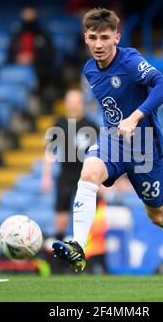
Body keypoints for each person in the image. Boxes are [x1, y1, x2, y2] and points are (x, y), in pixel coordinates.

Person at [52, 8, 163, 282]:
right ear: (85, 38)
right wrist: (118, 126)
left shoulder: (129, 61)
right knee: (89, 172)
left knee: (158, 215)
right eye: (93, 37)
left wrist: (136, 116)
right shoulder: (89, 70)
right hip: (114, 139)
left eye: (105, 37)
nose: (99, 44)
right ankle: (78, 246)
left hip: (144, 146)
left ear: (117, 36)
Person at [41, 88, 99, 243]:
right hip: (66, 174)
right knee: (61, 208)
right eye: (70, 102)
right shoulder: (59, 124)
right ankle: (59, 244)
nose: (73, 106)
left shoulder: (91, 125)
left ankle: (89, 246)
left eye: (76, 102)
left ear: (82, 104)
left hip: (87, 176)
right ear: (66, 104)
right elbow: (49, 151)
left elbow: (101, 154)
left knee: (89, 210)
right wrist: (46, 176)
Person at [6, 6, 60, 113]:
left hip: (40, 70)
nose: (28, 17)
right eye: (26, 14)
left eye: (31, 14)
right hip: (19, 71)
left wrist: (33, 58)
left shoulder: (43, 34)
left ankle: (42, 104)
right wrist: (18, 58)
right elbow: (9, 56)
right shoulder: (16, 35)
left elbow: (50, 53)